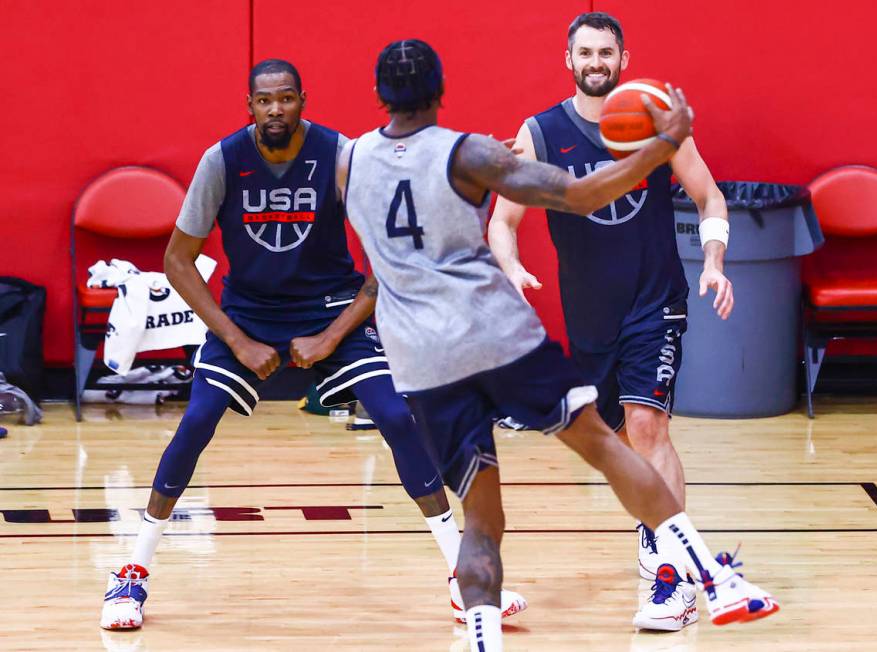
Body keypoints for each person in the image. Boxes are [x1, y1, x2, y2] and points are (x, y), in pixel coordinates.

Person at [342, 39, 778, 651]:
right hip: (498, 335)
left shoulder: (349, 161)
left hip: (424, 358)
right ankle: (716, 577)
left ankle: (486, 640)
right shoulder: (471, 153)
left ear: (378, 95)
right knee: (605, 444)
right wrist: (660, 144)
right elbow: (577, 196)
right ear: (441, 91)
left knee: (483, 519)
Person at [99, 59, 525, 631]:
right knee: (196, 419)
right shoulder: (222, 161)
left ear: (303, 100)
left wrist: (331, 335)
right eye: (264, 101)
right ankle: (130, 572)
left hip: (330, 310)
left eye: (286, 99)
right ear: (249, 106)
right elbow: (177, 259)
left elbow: (395, 245)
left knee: (398, 417)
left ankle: (461, 575)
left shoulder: (341, 156)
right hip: (248, 316)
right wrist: (237, 339)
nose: (276, 109)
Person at [488, 12, 734, 631]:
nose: (596, 62)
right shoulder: (541, 133)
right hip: (589, 319)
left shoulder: (653, 116)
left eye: (606, 52)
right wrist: (511, 268)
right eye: (585, 53)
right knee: (624, 445)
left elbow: (708, 195)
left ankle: (669, 584)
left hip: (656, 302)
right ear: (568, 61)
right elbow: (502, 221)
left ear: (623, 58)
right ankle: (669, 551)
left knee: (650, 431)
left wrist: (713, 259)